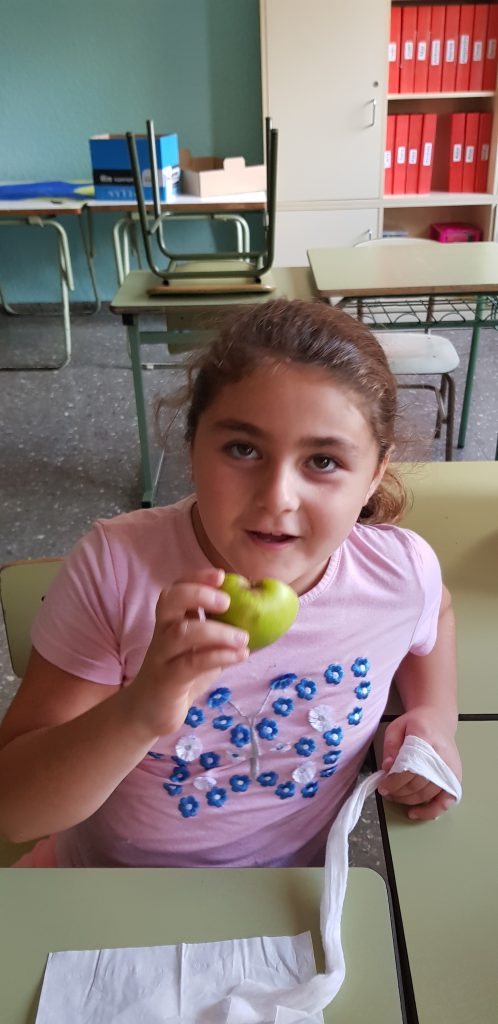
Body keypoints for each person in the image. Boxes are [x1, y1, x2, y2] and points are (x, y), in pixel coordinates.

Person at [0, 299, 461, 868]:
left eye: (322, 461)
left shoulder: (398, 573)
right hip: (109, 886)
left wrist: (435, 714)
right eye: (243, 450)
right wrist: (140, 710)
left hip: (286, 896)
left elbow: (436, 612)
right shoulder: (117, 569)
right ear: (193, 446)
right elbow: (15, 811)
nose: (277, 498)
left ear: (374, 473)